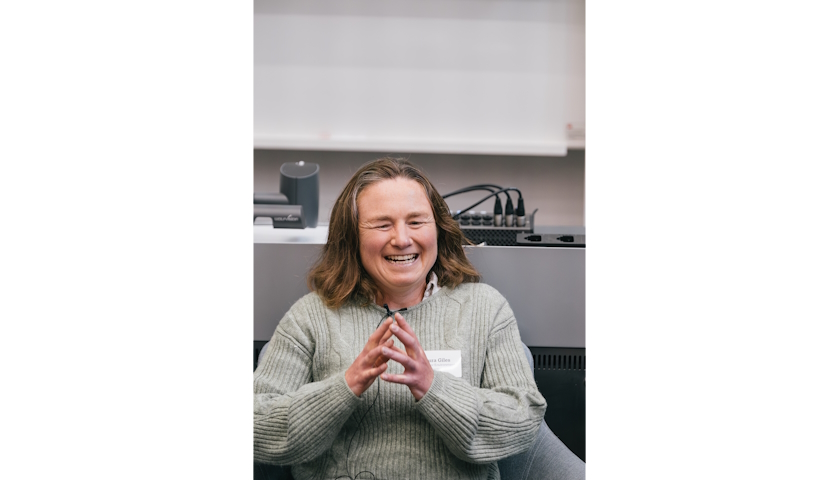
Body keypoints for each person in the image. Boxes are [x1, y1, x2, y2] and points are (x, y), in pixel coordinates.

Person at [254, 157, 547, 480]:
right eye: (382, 224)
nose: (402, 239)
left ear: (438, 229)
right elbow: (255, 425)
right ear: (352, 236)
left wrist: (435, 388)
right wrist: (344, 388)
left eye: (417, 222)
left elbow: (524, 419)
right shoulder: (311, 316)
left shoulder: (486, 308)